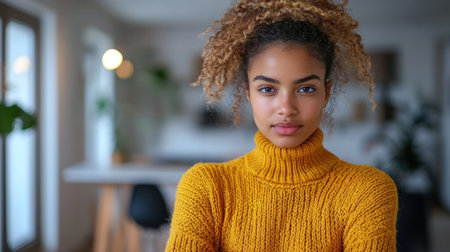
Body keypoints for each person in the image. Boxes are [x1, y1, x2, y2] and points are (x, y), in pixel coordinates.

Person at [165, 0, 398, 251]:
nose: (286, 108)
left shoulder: (367, 191)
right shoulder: (207, 188)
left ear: (326, 93)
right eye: (267, 89)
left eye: (306, 89)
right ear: (248, 94)